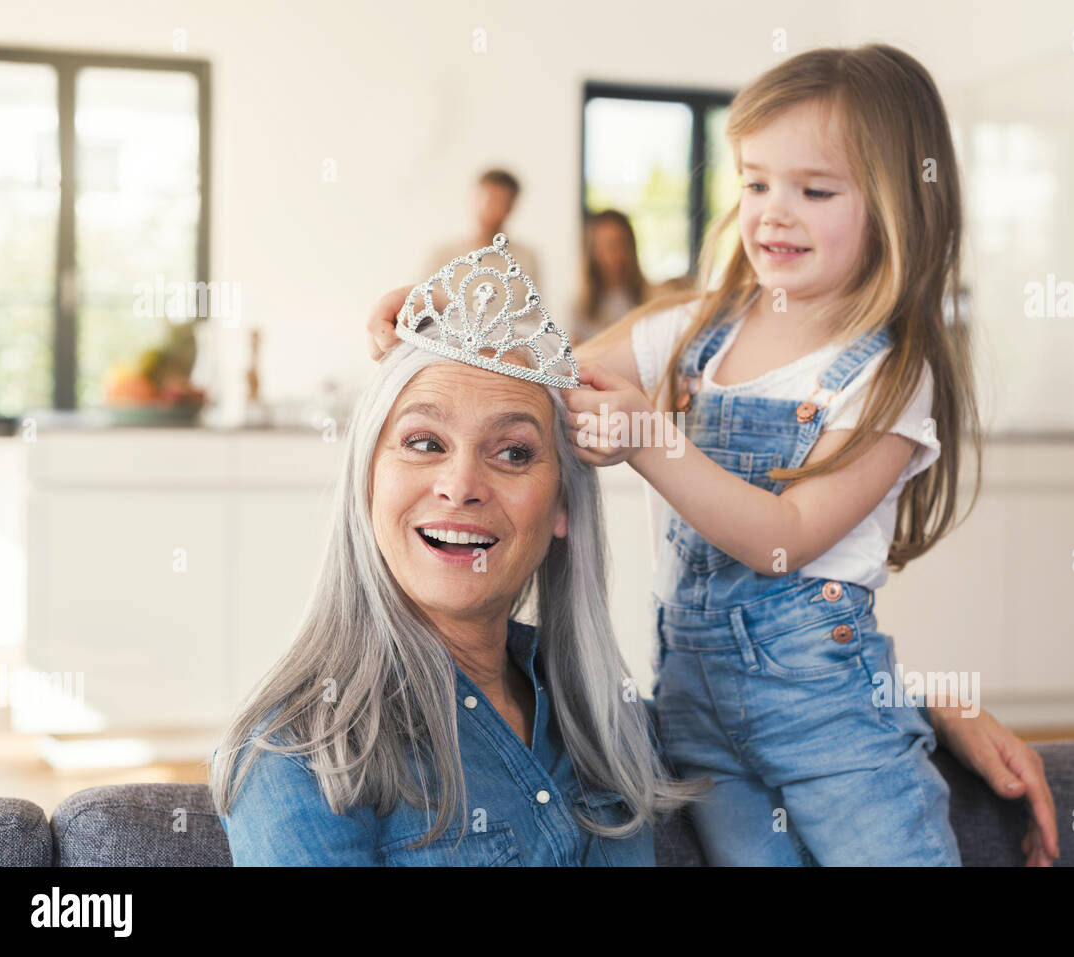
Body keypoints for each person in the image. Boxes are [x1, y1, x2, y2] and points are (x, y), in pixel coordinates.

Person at [559, 44, 992, 865]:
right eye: (755, 182)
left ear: (900, 206)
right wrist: (446, 317)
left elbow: (783, 536)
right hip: (695, 708)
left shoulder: (889, 374)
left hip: (829, 714)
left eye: (814, 189)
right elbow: (554, 372)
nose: (772, 211)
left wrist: (649, 437)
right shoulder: (689, 329)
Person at [210, 307, 703, 865]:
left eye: (513, 452)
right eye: (424, 442)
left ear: (562, 503)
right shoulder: (297, 756)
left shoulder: (615, 720)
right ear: (367, 481)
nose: (462, 485)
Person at [422, 168, 542, 289]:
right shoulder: (443, 256)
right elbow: (422, 302)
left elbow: (534, 306)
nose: (487, 209)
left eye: (497, 202)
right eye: (483, 199)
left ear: (510, 207)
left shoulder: (526, 260)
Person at [569, 209, 652, 345]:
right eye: (607, 245)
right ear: (593, 251)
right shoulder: (580, 305)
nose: (615, 253)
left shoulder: (649, 298)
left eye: (621, 243)